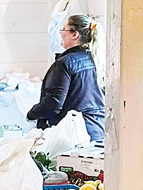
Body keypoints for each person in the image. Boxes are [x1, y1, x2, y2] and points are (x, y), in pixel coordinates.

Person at [27, 14, 106, 143]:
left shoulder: (65, 63)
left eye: (63, 29)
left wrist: (32, 114)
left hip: (73, 135)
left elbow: (54, 103)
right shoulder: (98, 61)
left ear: (75, 34)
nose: (60, 34)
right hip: (98, 131)